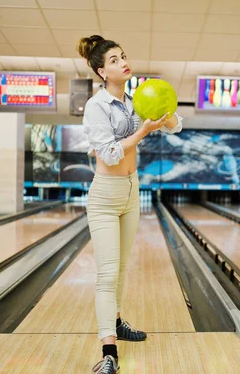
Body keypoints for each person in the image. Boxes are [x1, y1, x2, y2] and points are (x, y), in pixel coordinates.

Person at [77, 35, 182, 374]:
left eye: (123, 56)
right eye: (113, 60)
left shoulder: (136, 101)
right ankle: (109, 352)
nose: (123, 61)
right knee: (107, 274)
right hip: (106, 194)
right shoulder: (97, 106)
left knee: (121, 268)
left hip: (132, 191)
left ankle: (118, 321)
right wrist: (144, 132)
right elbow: (108, 153)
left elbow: (176, 127)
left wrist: (166, 120)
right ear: (101, 71)